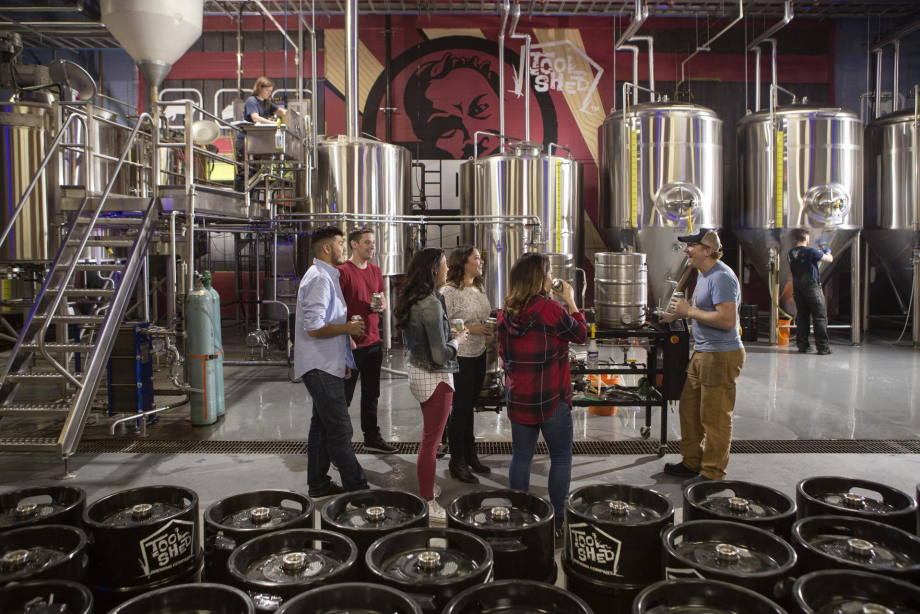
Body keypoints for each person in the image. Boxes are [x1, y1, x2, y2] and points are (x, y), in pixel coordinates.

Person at [496, 253, 587, 538]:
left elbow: (503, 355)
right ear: (539, 278)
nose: (552, 278)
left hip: (520, 396)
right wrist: (571, 301)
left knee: (521, 456)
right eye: (548, 273)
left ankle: (519, 516)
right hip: (551, 398)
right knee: (560, 458)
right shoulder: (552, 309)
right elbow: (581, 334)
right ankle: (559, 520)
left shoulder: (504, 313)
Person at [659, 229, 746, 485]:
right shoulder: (703, 275)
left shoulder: (722, 278)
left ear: (708, 250)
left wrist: (689, 311)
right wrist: (677, 316)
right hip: (702, 352)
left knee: (715, 417)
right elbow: (701, 312)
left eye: (692, 246)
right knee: (689, 411)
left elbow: (728, 321)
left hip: (721, 355)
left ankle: (712, 474)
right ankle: (691, 462)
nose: (686, 250)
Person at [394, 247, 469, 522]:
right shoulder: (432, 303)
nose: (448, 269)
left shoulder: (414, 298)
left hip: (418, 373)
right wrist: (457, 342)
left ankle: (427, 485)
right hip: (435, 378)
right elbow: (439, 355)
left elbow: (418, 344)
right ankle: (427, 501)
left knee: (430, 438)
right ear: (433, 269)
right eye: (445, 265)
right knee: (432, 442)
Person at [295, 226, 369, 498]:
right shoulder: (320, 279)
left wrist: (343, 358)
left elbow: (326, 323)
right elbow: (313, 327)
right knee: (340, 430)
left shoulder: (327, 276)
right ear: (326, 248)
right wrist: (348, 329)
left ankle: (318, 485)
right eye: (340, 243)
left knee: (322, 427)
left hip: (327, 363)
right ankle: (359, 489)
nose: (343, 248)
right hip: (319, 367)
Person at [339, 227, 398, 454]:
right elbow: (335, 309)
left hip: (373, 342)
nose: (372, 246)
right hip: (351, 345)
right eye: (367, 242)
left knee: (372, 394)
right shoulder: (343, 272)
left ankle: (371, 437)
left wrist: (381, 305)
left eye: (373, 242)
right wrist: (346, 338)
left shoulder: (375, 270)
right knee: (344, 397)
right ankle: (340, 445)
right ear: (354, 244)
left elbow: (381, 298)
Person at [441, 246, 494, 483]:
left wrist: (487, 332)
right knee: (460, 410)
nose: (481, 261)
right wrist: (472, 329)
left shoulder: (478, 287)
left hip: (479, 353)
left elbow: (482, 317)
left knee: (470, 406)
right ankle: (457, 461)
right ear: (463, 263)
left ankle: (470, 454)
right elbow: (442, 327)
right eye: (477, 258)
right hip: (460, 355)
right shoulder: (449, 292)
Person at [234, 76, 287, 191]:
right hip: (246, 142)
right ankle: (241, 198)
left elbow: (281, 111)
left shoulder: (266, 102)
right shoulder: (252, 101)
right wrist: (273, 123)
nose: (269, 93)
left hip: (257, 144)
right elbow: (255, 118)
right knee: (245, 172)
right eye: (267, 90)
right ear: (259, 88)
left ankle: (250, 200)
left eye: (270, 91)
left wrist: (292, 114)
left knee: (255, 173)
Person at [788, 229, 833, 355]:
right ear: (806, 238)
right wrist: (826, 251)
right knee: (819, 317)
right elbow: (829, 259)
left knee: (802, 317)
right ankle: (823, 348)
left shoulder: (790, 253)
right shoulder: (810, 251)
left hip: (797, 289)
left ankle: (803, 346)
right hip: (812, 288)